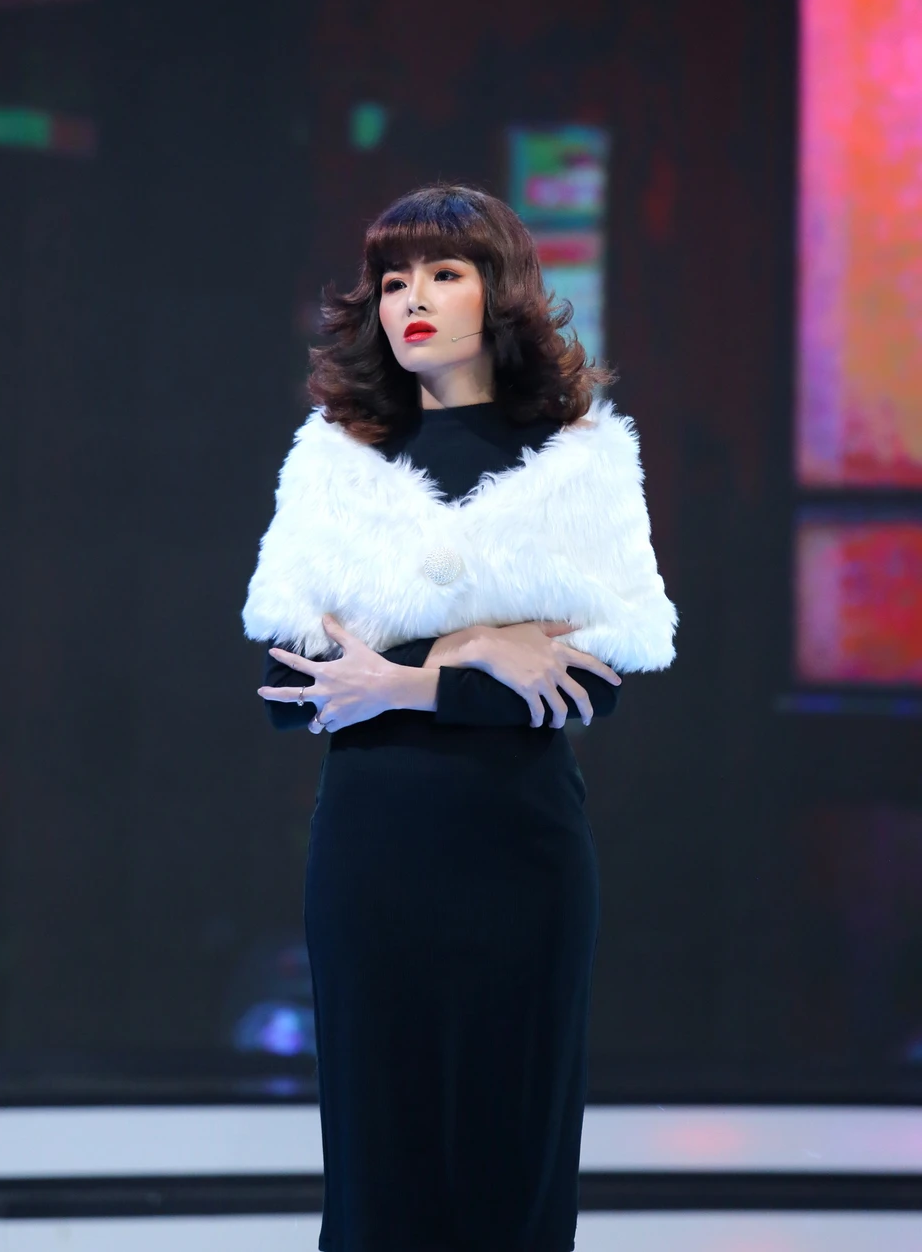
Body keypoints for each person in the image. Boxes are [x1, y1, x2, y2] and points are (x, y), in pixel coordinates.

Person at [242, 184, 677, 1252]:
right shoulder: (334, 462)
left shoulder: (580, 461)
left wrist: (405, 675)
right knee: (379, 1167)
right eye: (394, 280)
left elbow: (597, 672)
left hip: (520, 850)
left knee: (511, 1164)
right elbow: (295, 680)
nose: (414, 299)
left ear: (502, 291)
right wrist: (478, 648)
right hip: (373, 853)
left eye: (444, 273)